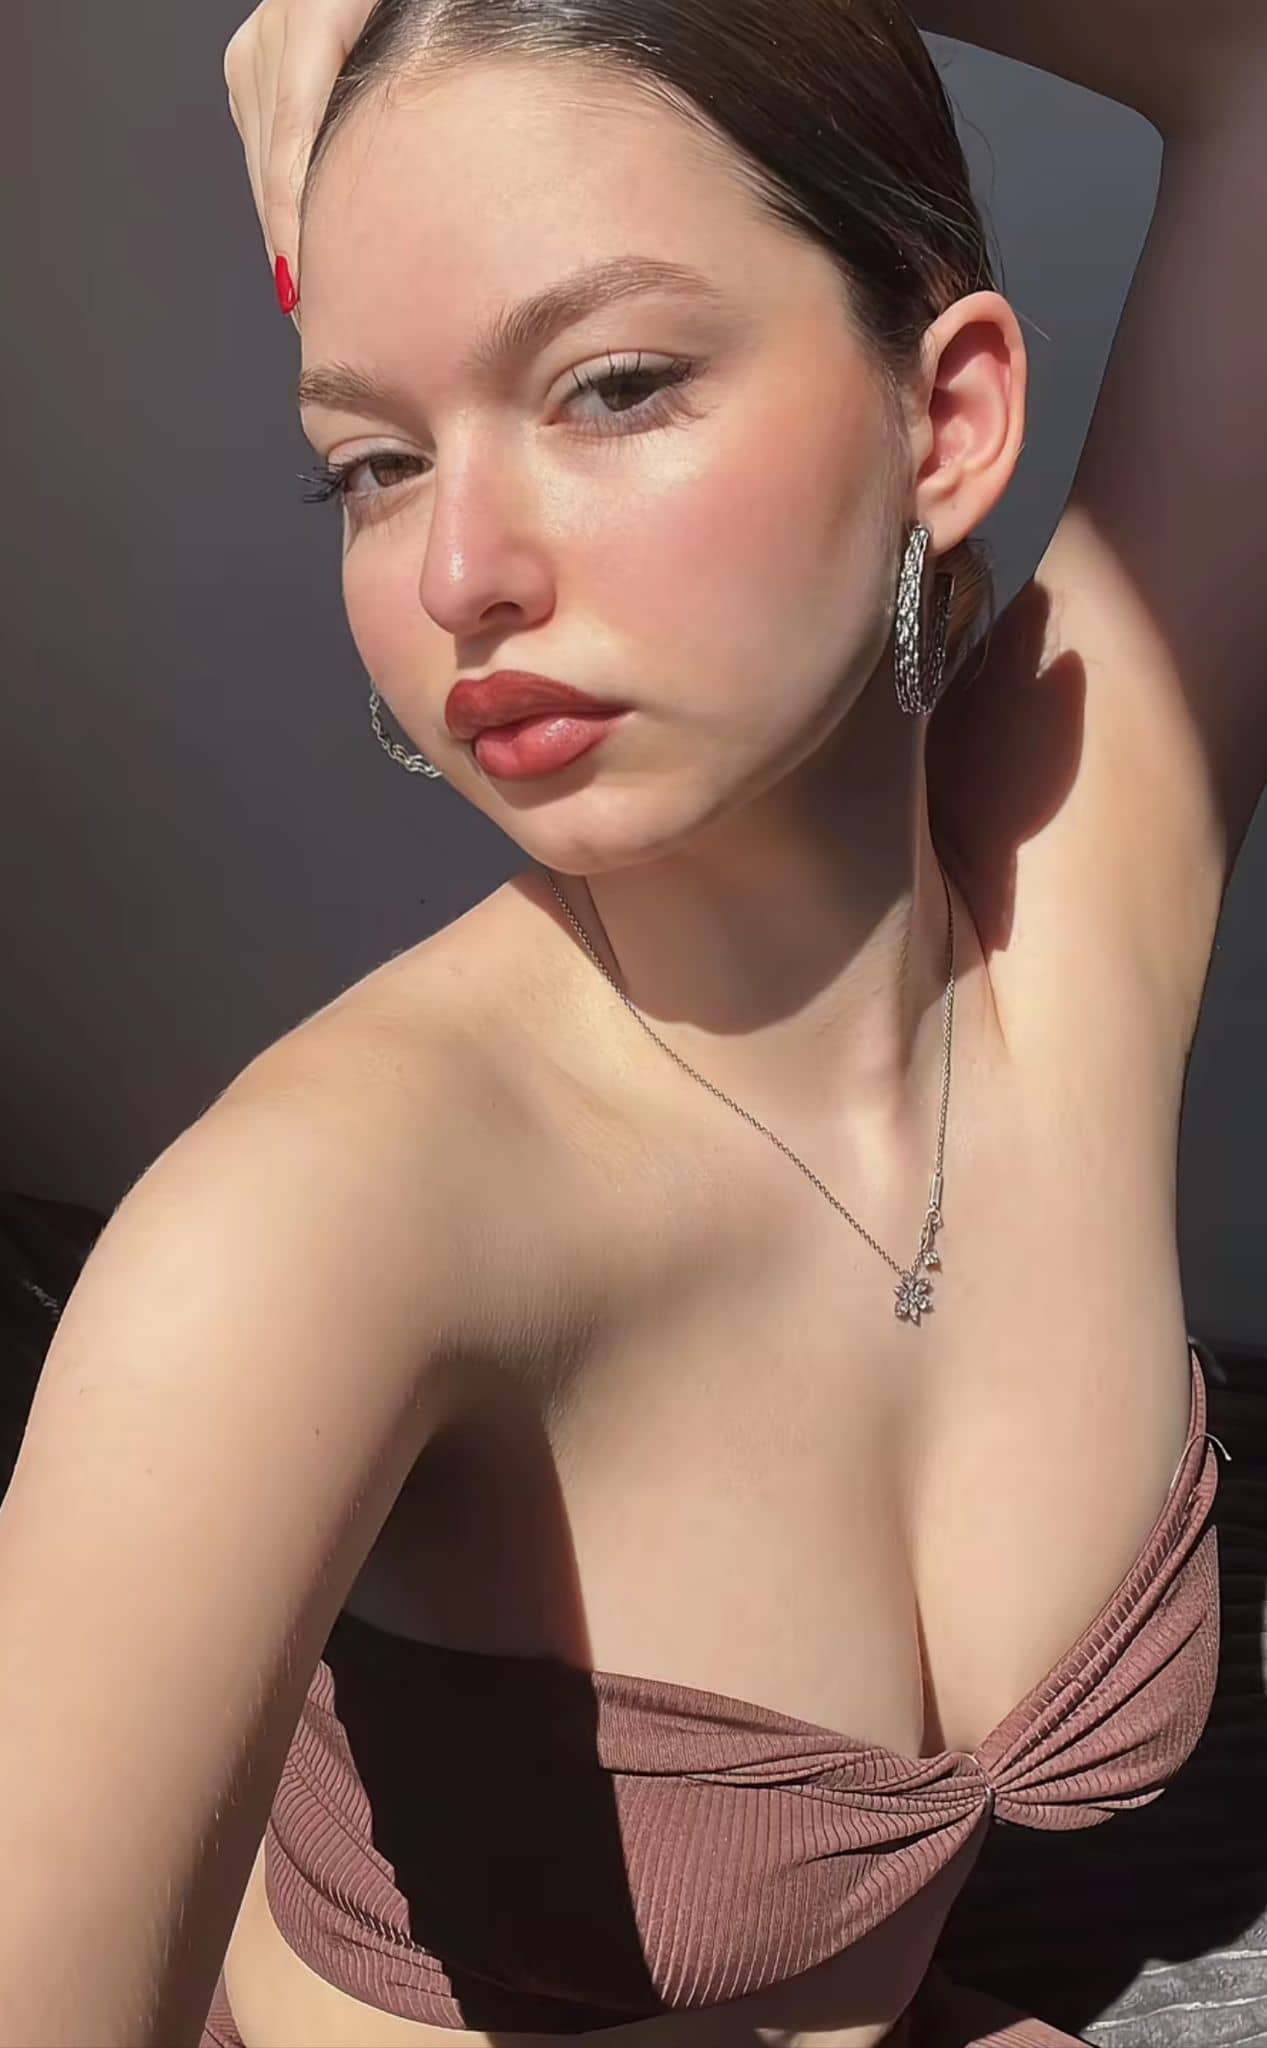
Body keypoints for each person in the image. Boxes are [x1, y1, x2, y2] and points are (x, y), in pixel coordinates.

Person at [1, 2, 1262, 2044]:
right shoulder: (310, 1230)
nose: (458, 572)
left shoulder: (1081, 874)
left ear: (946, 420)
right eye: (376, 463)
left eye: (610, 385)